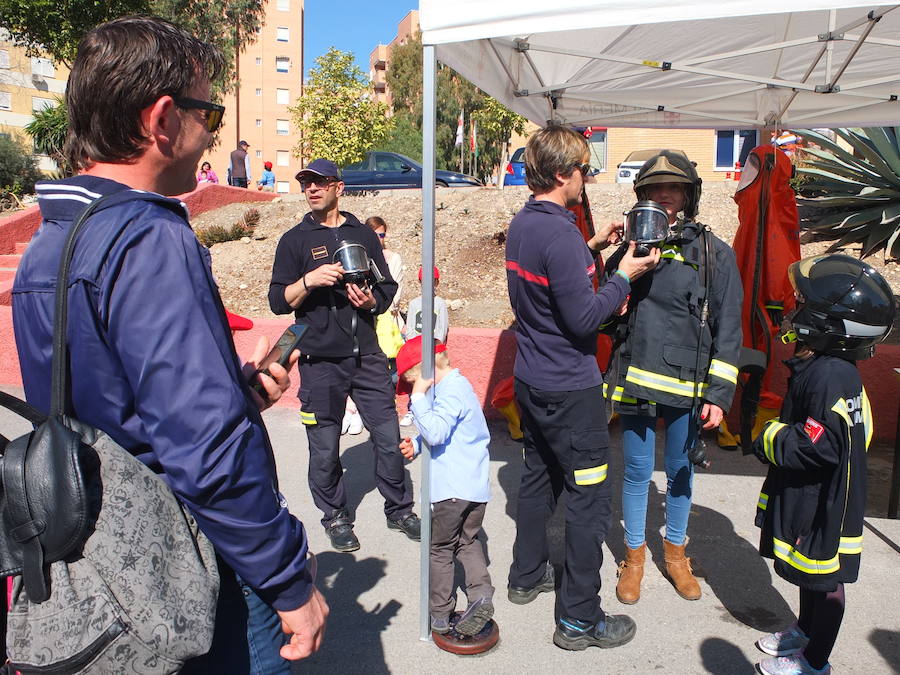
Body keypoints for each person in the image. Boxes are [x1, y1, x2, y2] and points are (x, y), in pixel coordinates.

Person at [10, 16, 327, 672]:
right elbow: (205, 450)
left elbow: (111, 406)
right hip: (190, 553)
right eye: (207, 109)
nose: (212, 128)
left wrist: (233, 392)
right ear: (160, 120)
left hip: (101, 549)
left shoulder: (51, 242)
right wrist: (288, 578)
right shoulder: (150, 240)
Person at [504, 124, 658, 652]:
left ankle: (526, 577)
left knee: (538, 478)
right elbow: (583, 320)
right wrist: (626, 275)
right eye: (584, 171)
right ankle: (578, 619)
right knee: (588, 502)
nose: (586, 179)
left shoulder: (525, 224)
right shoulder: (560, 234)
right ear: (562, 173)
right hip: (570, 392)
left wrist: (592, 247)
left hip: (531, 381)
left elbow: (547, 287)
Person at [601, 150, 742, 606]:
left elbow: (729, 329)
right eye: (655, 189)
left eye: (673, 188)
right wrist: (620, 267)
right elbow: (606, 315)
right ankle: (635, 559)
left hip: (689, 388)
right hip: (637, 381)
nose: (664, 196)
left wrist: (719, 395)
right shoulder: (628, 251)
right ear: (642, 196)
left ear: (688, 195)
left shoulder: (714, 253)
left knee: (681, 471)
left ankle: (677, 556)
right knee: (638, 471)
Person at [750, 254, 895, 675]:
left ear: (829, 324)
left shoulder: (831, 375)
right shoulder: (831, 367)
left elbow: (821, 444)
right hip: (817, 493)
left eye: (803, 305)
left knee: (825, 582)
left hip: (826, 501)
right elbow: (856, 428)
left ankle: (815, 662)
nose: (794, 311)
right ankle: (804, 632)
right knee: (808, 574)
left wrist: (769, 436)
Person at [268, 158, 420, 553]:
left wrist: (372, 300)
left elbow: (386, 289)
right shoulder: (294, 241)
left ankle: (400, 509)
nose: (312, 189)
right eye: (306, 183)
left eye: (319, 182)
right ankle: (335, 517)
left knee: (387, 438)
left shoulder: (363, 235)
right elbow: (277, 302)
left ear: (338, 187)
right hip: (320, 361)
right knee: (324, 447)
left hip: (368, 355)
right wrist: (309, 280)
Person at [396, 336, 494, 636]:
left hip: (451, 490)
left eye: (412, 382)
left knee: (439, 548)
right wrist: (416, 443)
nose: (412, 390)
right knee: (467, 541)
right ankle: (481, 595)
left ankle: (439, 613)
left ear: (423, 373)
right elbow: (446, 434)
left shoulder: (448, 391)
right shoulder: (458, 387)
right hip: (473, 488)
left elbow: (437, 432)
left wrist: (419, 397)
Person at [341, 216, 405, 436]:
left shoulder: (392, 258)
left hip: (387, 322)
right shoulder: (355, 256)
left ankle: (372, 414)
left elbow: (392, 291)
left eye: (382, 234)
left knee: (386, 375)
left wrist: (374, 300)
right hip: (364, 322)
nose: (379, 239)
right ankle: (352, 411)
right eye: (375, 234)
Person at [404, 266, 448, 343]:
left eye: (432, 281)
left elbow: (443, 329)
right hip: (416, 347)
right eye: (425, 281)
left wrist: (436, 344)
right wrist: (415, 343)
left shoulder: (440, 304)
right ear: (420, 282)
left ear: (437, 282)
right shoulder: (414, 304)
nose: (428, 284)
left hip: (435, 348)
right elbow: (409, 329)